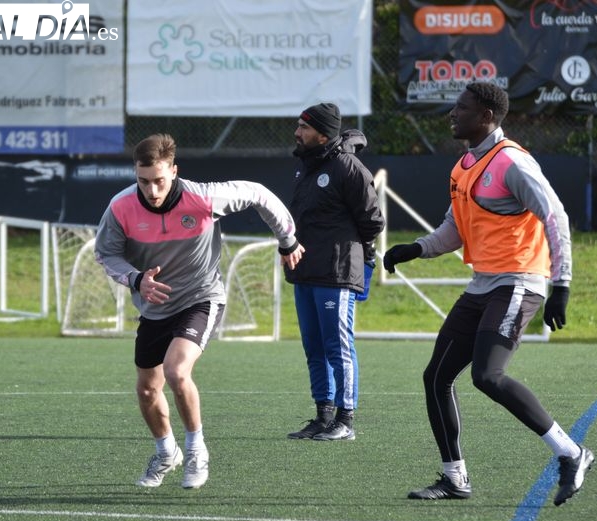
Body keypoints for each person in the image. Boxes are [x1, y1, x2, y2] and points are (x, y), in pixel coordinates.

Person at [383, 82, 593, 506]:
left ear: (486, 117)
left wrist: (561, 285)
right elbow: (454, 231)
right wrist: (415, 249)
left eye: (461, 108)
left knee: (487, 376)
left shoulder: (512, 162)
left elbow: (557, 218)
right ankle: (454, 478)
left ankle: (572, 453)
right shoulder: (463, 165)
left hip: (519, 281)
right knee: (436, 377)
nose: (452, 114)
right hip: (483, 284)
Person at [95, 133, 304, 489]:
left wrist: (288, 240)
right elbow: (106, 253)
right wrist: (135, 279)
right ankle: (166, 452)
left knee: (177, 372)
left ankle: (196, 449)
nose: (152, 190)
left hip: (200, 298)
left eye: (159, 180)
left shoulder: (203, 197)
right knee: (147, 390)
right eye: (143, 181)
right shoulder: (120, 207)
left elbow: (258, 193)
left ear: (174, 171)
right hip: (154, 308)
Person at [284, 102, 385, 441]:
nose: (297, 132)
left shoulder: (348, 168)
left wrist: (355, 255)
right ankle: (322, 416)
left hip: (336, 272)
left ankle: (346, 419)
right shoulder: (305, 167)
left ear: (323, 134)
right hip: (305, 270)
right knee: (313, 347)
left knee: (337, 346)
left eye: (304, 127)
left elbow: (373, 221)